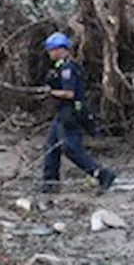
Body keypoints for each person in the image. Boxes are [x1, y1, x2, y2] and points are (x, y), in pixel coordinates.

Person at [40, 32, 116, 194]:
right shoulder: (60, 67)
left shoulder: (69, 68)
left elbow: (70, 93)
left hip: (71, 113)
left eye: (51, 50)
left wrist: (51, 92)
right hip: (61, 112)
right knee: (51, 146)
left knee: (71, 149)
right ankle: (50, 182)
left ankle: (102, 174)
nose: (49, 53)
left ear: (61, 49)